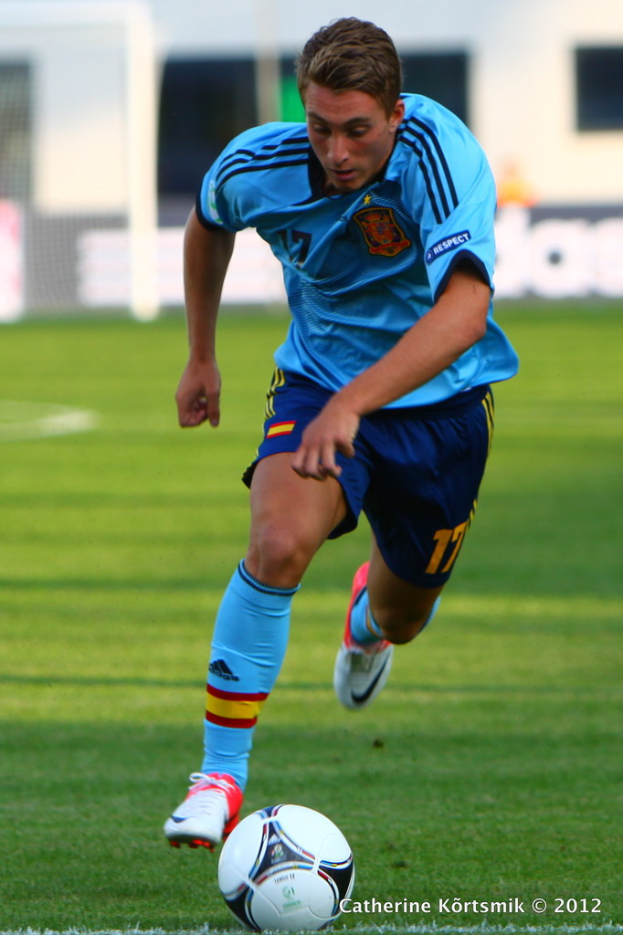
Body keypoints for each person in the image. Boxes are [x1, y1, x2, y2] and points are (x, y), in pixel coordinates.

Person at [164, 17, 518, 850]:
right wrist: (201, 356)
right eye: (319, 126)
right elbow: (209, 221)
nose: (335, 150)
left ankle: (366, 618)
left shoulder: (440, 154)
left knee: (404, 615)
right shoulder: (260, 160)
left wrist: (357, 402)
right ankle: (218, 774)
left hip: (443, 411)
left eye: (356, 130)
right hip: (319, 385)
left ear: (395, 114)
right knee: (279, 541)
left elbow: (465, 312)